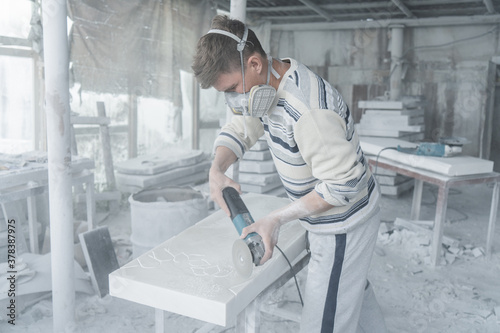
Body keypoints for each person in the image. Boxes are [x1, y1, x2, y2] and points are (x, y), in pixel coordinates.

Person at [192, 14, 387, 333]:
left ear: (254, 63)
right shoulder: (264, 87)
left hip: (344, 224)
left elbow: (342, 187)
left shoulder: (309, 111)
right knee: (351, 288)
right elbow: (243, 126)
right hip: (328, 215)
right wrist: (217, 168)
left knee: (323, 323)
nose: (233, 100)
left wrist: (275, 219)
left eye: (232, 88)